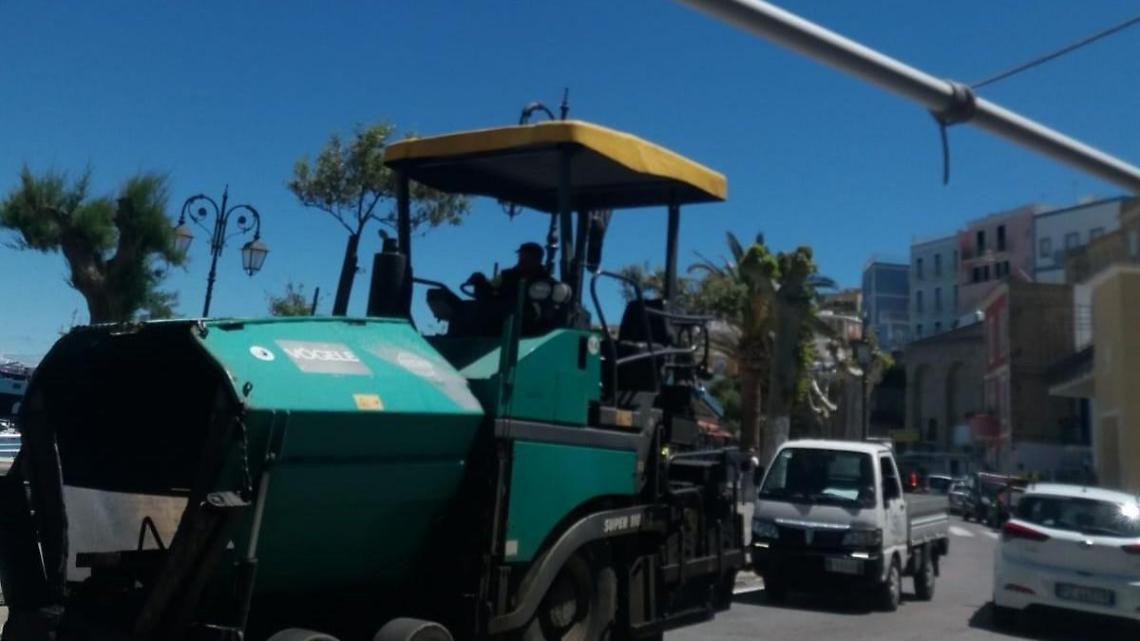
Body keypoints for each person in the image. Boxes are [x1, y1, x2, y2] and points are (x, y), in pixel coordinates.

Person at [468, 242, 550, 299]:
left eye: (528, 256)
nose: (522, 259)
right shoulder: (506, 275)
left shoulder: (545, 280)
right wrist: (481, 282)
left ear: (538, 259)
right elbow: (491, 287)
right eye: (521, 255)